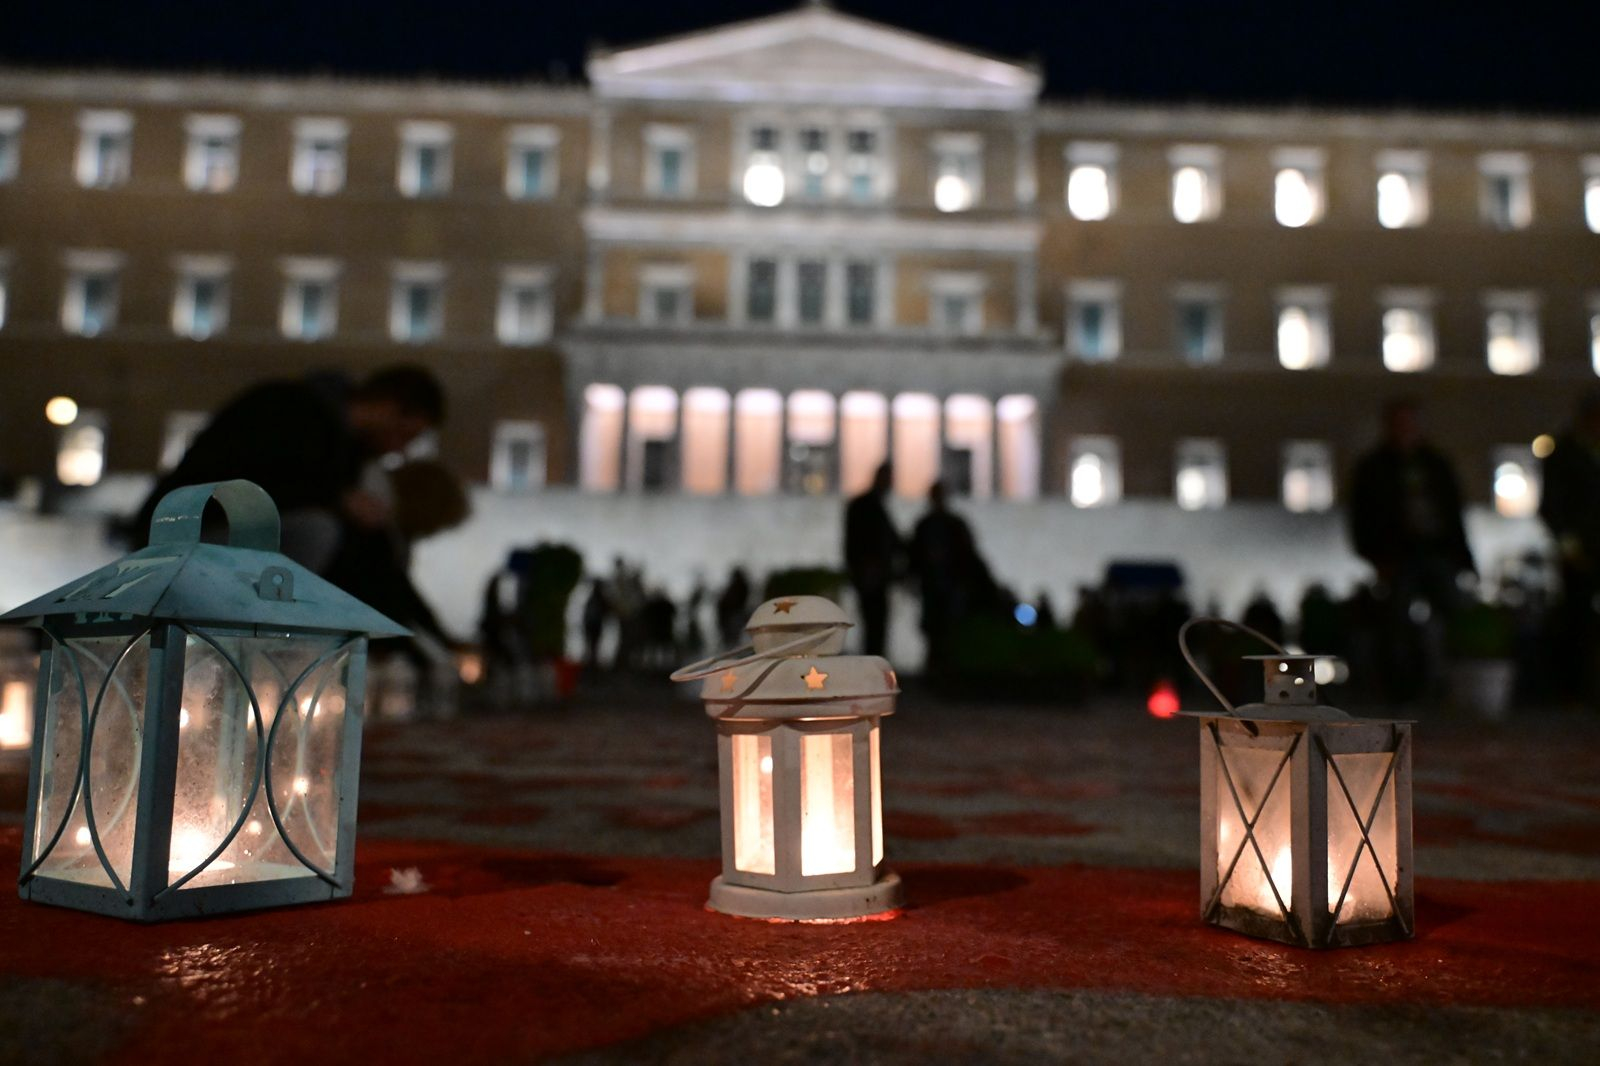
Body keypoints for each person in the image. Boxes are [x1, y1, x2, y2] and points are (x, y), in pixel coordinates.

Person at [132, 365, 446, 571]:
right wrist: (339, 499)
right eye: (404, 435)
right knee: (316, 531)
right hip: (186, 531)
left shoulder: (347, 453)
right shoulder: (288, 406)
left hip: (211, 535)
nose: (399, 449)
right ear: (387, 408)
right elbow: (250, 482)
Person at [1348, 397, 1475, 702]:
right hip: (1396, 555)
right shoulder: (1374, 467)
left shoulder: (1435, 464)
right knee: (1396, 624)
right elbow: (1361, 516)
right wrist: (1375, 555)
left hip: (1437, 552)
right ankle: (1403, 689)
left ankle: (1450, 683)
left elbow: (1452, 513)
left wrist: (1463, 558)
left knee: (1452, 617)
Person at [1538, 389, 1600, 705]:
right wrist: (1570, 546)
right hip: (1579, 552)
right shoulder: (1564, 454)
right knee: (1577, 619)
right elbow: (1553, 505)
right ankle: (1574, 687)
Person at [909, 480, 979, 669]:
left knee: (941, 631)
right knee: (941, 630)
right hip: (940, 585)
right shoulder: (950, 525)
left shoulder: (928, 525)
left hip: (940, 585)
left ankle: (939, 667)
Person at [843, 463, 903, 656]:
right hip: (872, 576)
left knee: (874, 626)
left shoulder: (866, 505)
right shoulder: (870, 507)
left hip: (871, 576)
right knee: (875, 626)